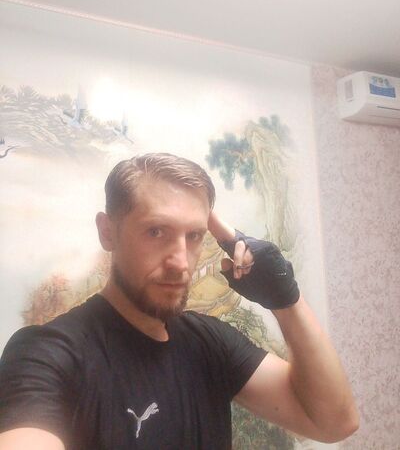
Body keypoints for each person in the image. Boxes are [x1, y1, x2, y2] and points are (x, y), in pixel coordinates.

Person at [0, 153, 359, 449]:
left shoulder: (209, 342)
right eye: (156, 231)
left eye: (194, 236)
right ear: (108, 232)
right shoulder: (46, 354)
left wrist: (286, 300)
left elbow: (333, 423)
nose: (181, 262)